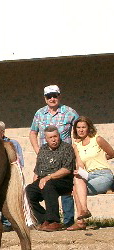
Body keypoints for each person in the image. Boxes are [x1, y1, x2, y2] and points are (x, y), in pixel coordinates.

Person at [29, 85, 79, 227]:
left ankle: (68, 221)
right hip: (45, 156)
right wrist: (38, 150)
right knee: (37, 187)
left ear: (59, 96)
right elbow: (33, 132)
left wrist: (76, 149)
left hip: (64, 156)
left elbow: (80, 130)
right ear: (45, 98)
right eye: (49, 96)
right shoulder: (39, 114)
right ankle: (47, 220)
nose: (52, 98)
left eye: (55, 95)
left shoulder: (70, 112)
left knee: (65, 190)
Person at [25, 126, 75, 231]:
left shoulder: (66, 148)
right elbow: (37, 170)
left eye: (55, 136)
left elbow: (67, 169)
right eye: (50, 137)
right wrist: (35, 185)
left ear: (59, 136)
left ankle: (54, 221)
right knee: (28, 191)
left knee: (49, 185)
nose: (53, 139)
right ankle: (44, 220)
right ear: (46, 139)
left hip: (63, 180)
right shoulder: (43, 149)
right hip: (45, 180)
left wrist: (49, 177)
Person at [68, 116, 114, 231]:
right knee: (76, 182)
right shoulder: (77, 145)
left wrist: (101, 159)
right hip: (88, 175)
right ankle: (83, 213)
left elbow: (112, 153)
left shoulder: (97, 139)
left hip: (103, 174)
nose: (81, 130)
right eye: (78, 127)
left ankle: (81, 218)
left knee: (77, 191)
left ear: (89, 128)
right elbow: (80, 164)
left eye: (83, 127)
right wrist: (79, 171)